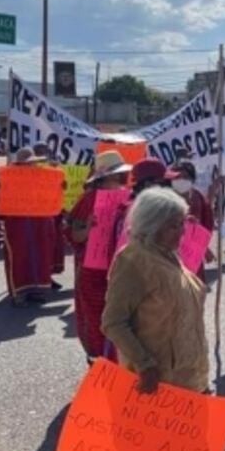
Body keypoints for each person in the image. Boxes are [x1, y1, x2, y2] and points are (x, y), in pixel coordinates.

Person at [102, 187, 209, 393]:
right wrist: (145, 365)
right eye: (174, 226)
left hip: (191, 375)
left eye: (182, 223)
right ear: (152, 226)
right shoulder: (133, 261)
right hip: (160, 383)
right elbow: (113, 323)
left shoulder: (167, 254)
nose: (183, 231)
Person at [68, 151, 132, 360]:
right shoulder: (88, 199)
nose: (123, 177)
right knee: (98, 318)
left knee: (123, 319)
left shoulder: (131, 197)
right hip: (94, 270)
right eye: (119, 173)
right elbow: (73, 235)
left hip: (122, 269)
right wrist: (88, 228)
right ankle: (101, 365)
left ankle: (120, 364)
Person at [1, 148, 58, 306]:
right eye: (28, 163)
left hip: (38, 221)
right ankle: (18, 293)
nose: (31, 166)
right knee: (19, 256)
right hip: (17, 223)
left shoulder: (41, 176)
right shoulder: (9, 178)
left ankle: (36, 290)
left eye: (33, 163)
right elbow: (0, 201)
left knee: (39, 255)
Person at [33, 142, 66, 290]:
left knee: (50, 248)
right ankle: (35, 279)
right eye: (40, 151)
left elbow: (61, 187)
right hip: (33, 216)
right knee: (36, 249)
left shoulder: (54, 169)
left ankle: (47, 277)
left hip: (51, 213)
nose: (43, 154)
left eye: (45, 151)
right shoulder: (28, 171)